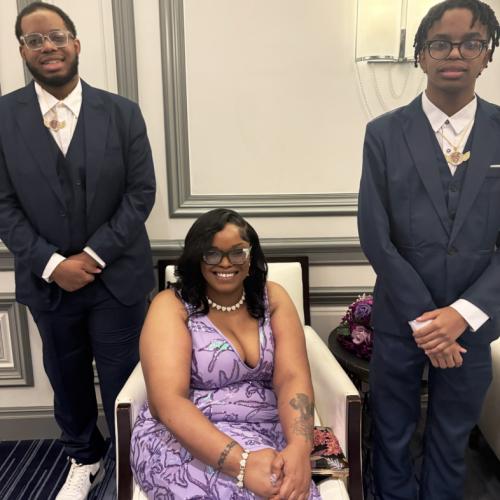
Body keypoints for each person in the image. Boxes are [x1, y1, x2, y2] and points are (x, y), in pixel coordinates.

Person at [0, 3, 156, 499]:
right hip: (47, 283)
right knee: (66, 379)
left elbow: (141, 194)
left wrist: (90, 258)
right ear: (22, 51)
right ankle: (84, 459)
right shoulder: (2, 117)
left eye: (57, 36)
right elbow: (2, 204)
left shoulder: (123, 112)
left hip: (117, 279)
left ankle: (133, 465)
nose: (48, 46)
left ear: (76, 43)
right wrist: (52, 265)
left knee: (126, 381)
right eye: (35, 40)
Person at [357, 0, 500, 498]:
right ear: (420, 54)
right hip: (401, 319)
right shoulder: (383, 133)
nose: (455, 54)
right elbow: (375, 235)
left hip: (474, 325)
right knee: (392, 433)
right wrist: (428, 323)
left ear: (488, 54)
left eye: (471, 43)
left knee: (451, 438)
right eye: (440, 43)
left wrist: (461, 315)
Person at [131, 208, 321, 499]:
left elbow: (292, 379)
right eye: (212, 254)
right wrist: (243, 464)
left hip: (265, 427)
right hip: (185, 433)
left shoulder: (274, 298)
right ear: (197, 258)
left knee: (287, 489)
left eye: (237, 252)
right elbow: (167, 402)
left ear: (251, 257)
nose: (225, 263)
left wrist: (298, 448)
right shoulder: (171, 305)